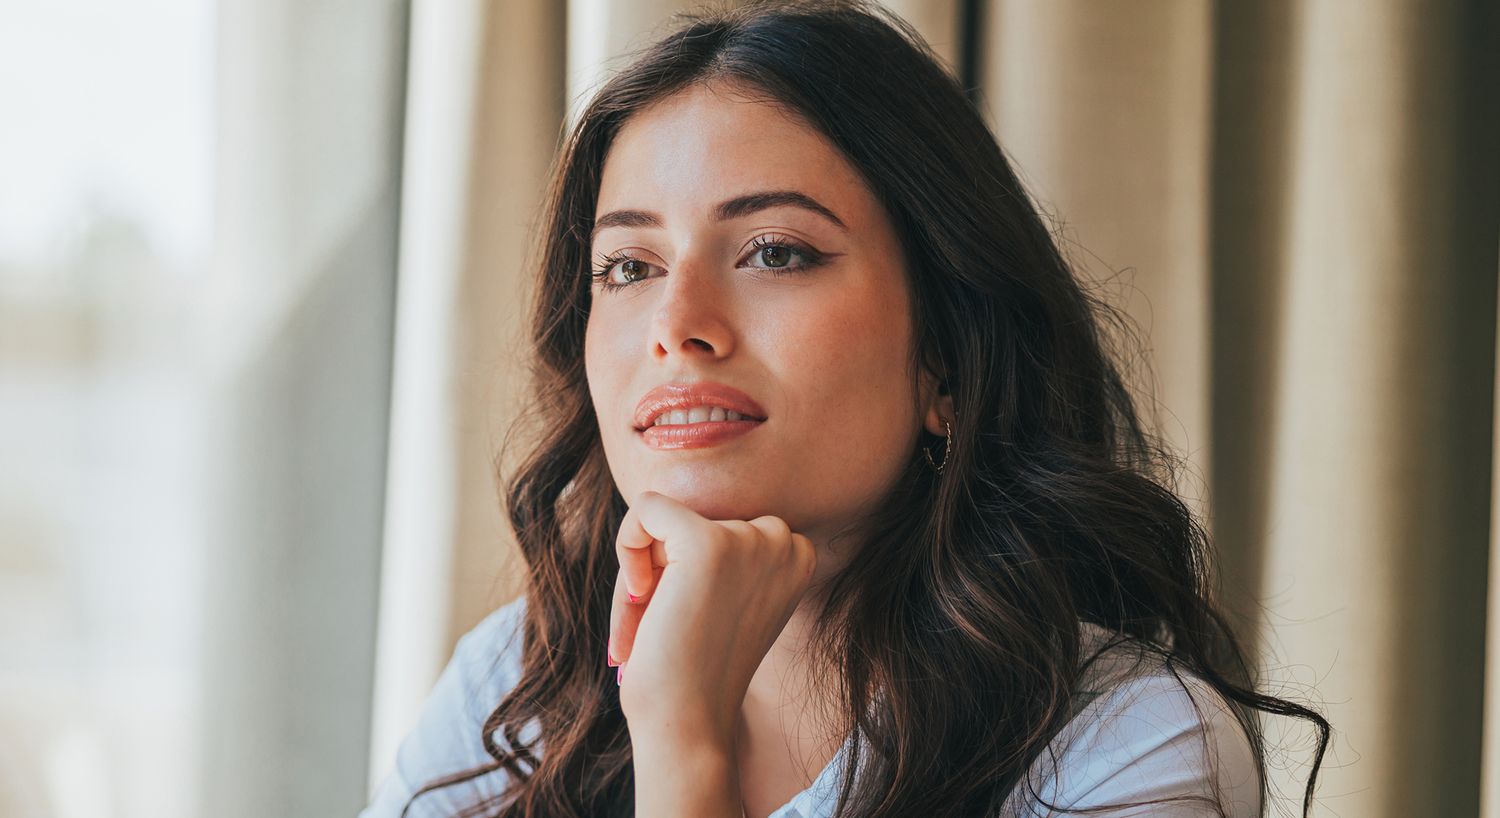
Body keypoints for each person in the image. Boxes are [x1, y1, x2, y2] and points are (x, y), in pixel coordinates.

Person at [360, 1, 1329, 816]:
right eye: (629, 266)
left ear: (944, 361)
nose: (677, 325)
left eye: (776, 251)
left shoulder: (1121, 736)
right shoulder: (520, 685)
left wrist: (685, 741)